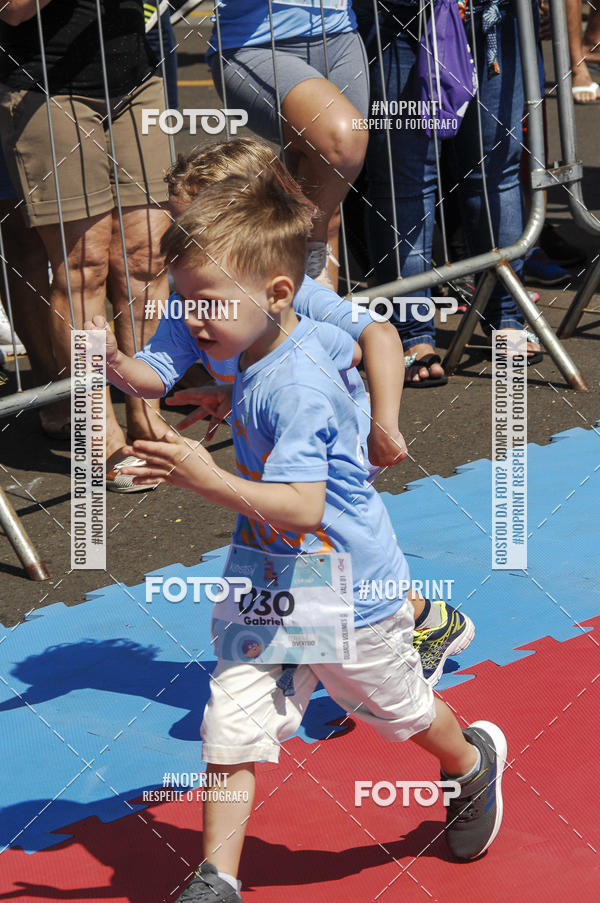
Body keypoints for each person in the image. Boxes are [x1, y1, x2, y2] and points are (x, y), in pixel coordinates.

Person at [109, 173, 506, 900]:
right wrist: (222, 395)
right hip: (268, 577)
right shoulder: (260, 353)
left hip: (345, 583)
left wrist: (204, 476)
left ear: (279, 293)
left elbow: (301, 506)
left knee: (399, 714)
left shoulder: (297, 384)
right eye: (185, 301)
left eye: (208, 303)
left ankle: (471, 762)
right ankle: (217, 879)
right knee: (230, 720)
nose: (193, 319)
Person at [99, 136, 474, 682]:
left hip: (334, 440)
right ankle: (334, 639)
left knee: (327, 542)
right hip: (269, 440)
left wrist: (383, 425)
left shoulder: (289, 292)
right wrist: (113, 362)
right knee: (297, 547)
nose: (185, 241)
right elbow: (154, 375)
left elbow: (378, 336)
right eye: (180, 226)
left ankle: (409, 632)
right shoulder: (191, 301)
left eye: (197, 225)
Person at [0, 0, 172, 485]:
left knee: (147, 259)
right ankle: (99, 433)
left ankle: (147, 416)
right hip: (46, 88)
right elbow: (13, 11)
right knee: (84, 266)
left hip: (137, 80)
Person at [354, 0, 542, 385]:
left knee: (494, 173)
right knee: (403, 182)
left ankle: (506, 318)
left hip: (494, 15)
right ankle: (410, 334)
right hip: (397, 15)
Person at [206, 0, 370, 290]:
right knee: (342, 142)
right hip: (254, 44)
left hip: (341, 37)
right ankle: (294, 274)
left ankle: (312, 312)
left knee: (327, 210)